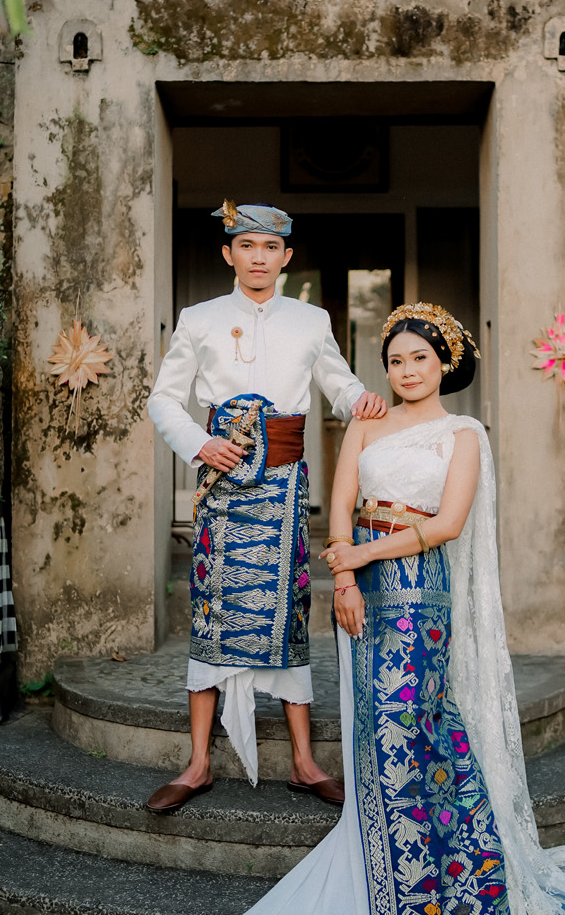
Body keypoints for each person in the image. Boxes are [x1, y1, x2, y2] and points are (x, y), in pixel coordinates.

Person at [214, 302, 565, 915]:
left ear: (444, 364)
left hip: (418, 587)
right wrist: (342, 576)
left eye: (419, 359)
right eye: (396, 359)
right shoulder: (365, 423)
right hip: (359, 590)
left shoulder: (463, 434)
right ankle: (382, 861)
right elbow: (340, 504)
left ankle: (438, 877)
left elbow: (449, 523)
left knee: (407, 726)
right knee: (376, 733)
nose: (406, 370)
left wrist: (364, 560)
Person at [145, 201, 387, 811]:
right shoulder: (199, 319)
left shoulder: (311, 320)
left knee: (288, 613)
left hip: (284, 489)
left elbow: (340, 386)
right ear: (228, 253)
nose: (258, 257)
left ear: (286, 256)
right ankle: (198, 764)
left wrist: (364, 400)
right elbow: (164, 400)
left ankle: (305, 764)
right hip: (221, 487)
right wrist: (200, 443)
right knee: (213, 615)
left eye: (270, 247)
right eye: (246, 246)